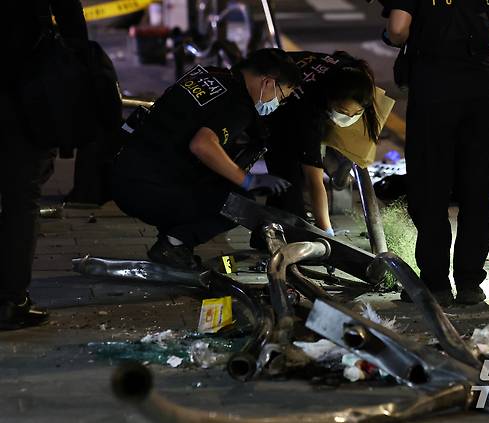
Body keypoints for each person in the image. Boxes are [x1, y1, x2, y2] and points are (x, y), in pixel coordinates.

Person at [111, 49, 300, 269]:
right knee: (238, 202)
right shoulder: (238, 105)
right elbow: (202, 144)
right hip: (147, 187)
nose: (277, 104)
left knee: (214, 177)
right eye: (281, 98)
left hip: (124, 172)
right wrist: (249, 181)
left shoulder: (208, 75)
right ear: (268, 82)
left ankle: (176, 243)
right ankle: (172, 245)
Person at [386, 0, 489, 306]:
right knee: (477, 187)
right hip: (481, 87)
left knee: (430, 186)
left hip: (434, 86)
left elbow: (398, 28)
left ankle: (435, 283)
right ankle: (469, 282)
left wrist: (395, 38)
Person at [0, 0, 88, 330]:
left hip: (21, 82)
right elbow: (69, 16)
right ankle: (10, 300)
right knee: (20, 199)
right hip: (23, 87)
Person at [262, 51, 381, 237]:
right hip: (274, 112)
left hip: (293, 89)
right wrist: (326, 231)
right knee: (288, 185)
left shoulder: (351, 73)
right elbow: (314, 179)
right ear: (329, 99)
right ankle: (278, 234)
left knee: (288, 192)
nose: (348, 117)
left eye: (355, 113)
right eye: (342, 111)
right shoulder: (308, 112)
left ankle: (267, 232)